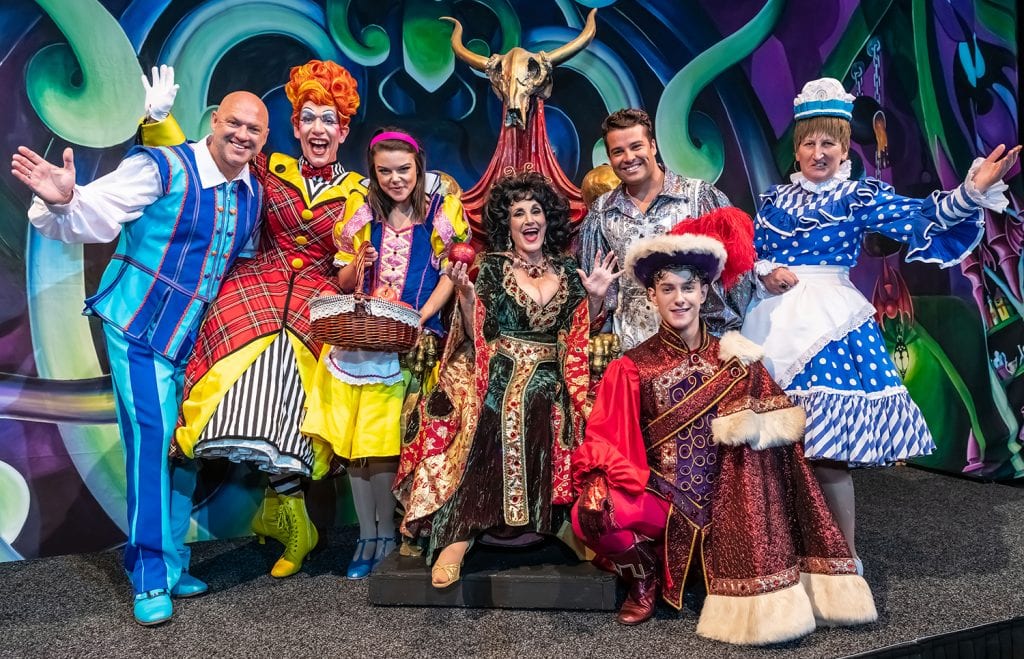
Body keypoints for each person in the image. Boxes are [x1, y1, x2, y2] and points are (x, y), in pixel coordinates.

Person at [11, 88, 270, 625]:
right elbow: (97, 214)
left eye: (255, 130)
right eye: (235, 123)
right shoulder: (161, 168)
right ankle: (150, 575)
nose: (243, 136)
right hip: (138, 328)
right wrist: (65, 199)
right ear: (213, 121)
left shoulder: (252, 193)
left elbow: (234, 269)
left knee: (183, 448)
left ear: (264, 139)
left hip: (194, 344)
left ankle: (170, 561)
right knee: (152, 443)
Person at [742, 77, 1020, 567]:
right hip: (768, 325)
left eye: (829, 141)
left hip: (829, 324)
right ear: (798, 148)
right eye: (809, 142)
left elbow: (917, 217)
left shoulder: (858, 195)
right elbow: (752, 254)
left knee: (824, 451)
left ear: (845, 145)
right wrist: (763, 272)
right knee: (769, 452)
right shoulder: (773, 200)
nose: (818, 151)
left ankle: (842, 558)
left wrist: (970, 192)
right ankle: (779, 553)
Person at [571, 208, 876, 643]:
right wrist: (609, 480)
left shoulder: (739, 359)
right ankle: (645, 579)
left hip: (731, 506)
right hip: (665, 501)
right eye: (668, 289)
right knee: (592, 512)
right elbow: (609, 439)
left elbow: (778, 456)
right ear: (651, 297)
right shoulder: (631, 366)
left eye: (688, 288)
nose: (679, 299)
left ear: (704, 292)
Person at [144, 61, 366, 578]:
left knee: (295, 378)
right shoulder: (271, 168)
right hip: (254, 289)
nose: (317, 128)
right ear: (293, 125)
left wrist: (358, 265)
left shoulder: (358, 191)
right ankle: (280, 512)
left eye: (328, 119)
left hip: (317, 298)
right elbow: (206, 160)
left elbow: (353, 276)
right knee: (243, 376)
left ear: (344, 129)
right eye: (308, 117)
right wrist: (159, 122)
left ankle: (291, 514)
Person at [395, 171, 618, 588]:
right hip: (499, 365)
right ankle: (460, 531)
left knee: (550, 403)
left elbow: (578, 328)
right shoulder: (494, 268)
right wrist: (464, 294)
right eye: (519, 213)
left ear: (548, 219)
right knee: (496, 405)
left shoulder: (569, 270)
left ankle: (559, 522)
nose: (529, 219)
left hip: (555, 368)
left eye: (536, 210)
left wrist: (596, 296)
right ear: (508, 223)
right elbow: (480, 329)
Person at [300, 127, 471, 579]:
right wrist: (360, 265)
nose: (396, 179)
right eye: (385, 171)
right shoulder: (360, 212)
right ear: (373, 172)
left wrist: (421, 319)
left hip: (410, 344)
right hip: (358, 339)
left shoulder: (441, 212)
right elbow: (344, 284)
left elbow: (451, 275)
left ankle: (390, 534)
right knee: (356, 447)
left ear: (418, 166)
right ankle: (365, 535)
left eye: (404, 170)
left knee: (386, 446)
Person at [578, 108, 748, 349]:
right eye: (618, 151)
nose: (628, 158)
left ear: (653, 146)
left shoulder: (699, 197)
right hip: (633, 352)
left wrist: (723, 339)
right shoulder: (601, 213)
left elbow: (737, 280)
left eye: (636, 146)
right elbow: (600, 295)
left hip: (697, 350)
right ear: (609, 157)